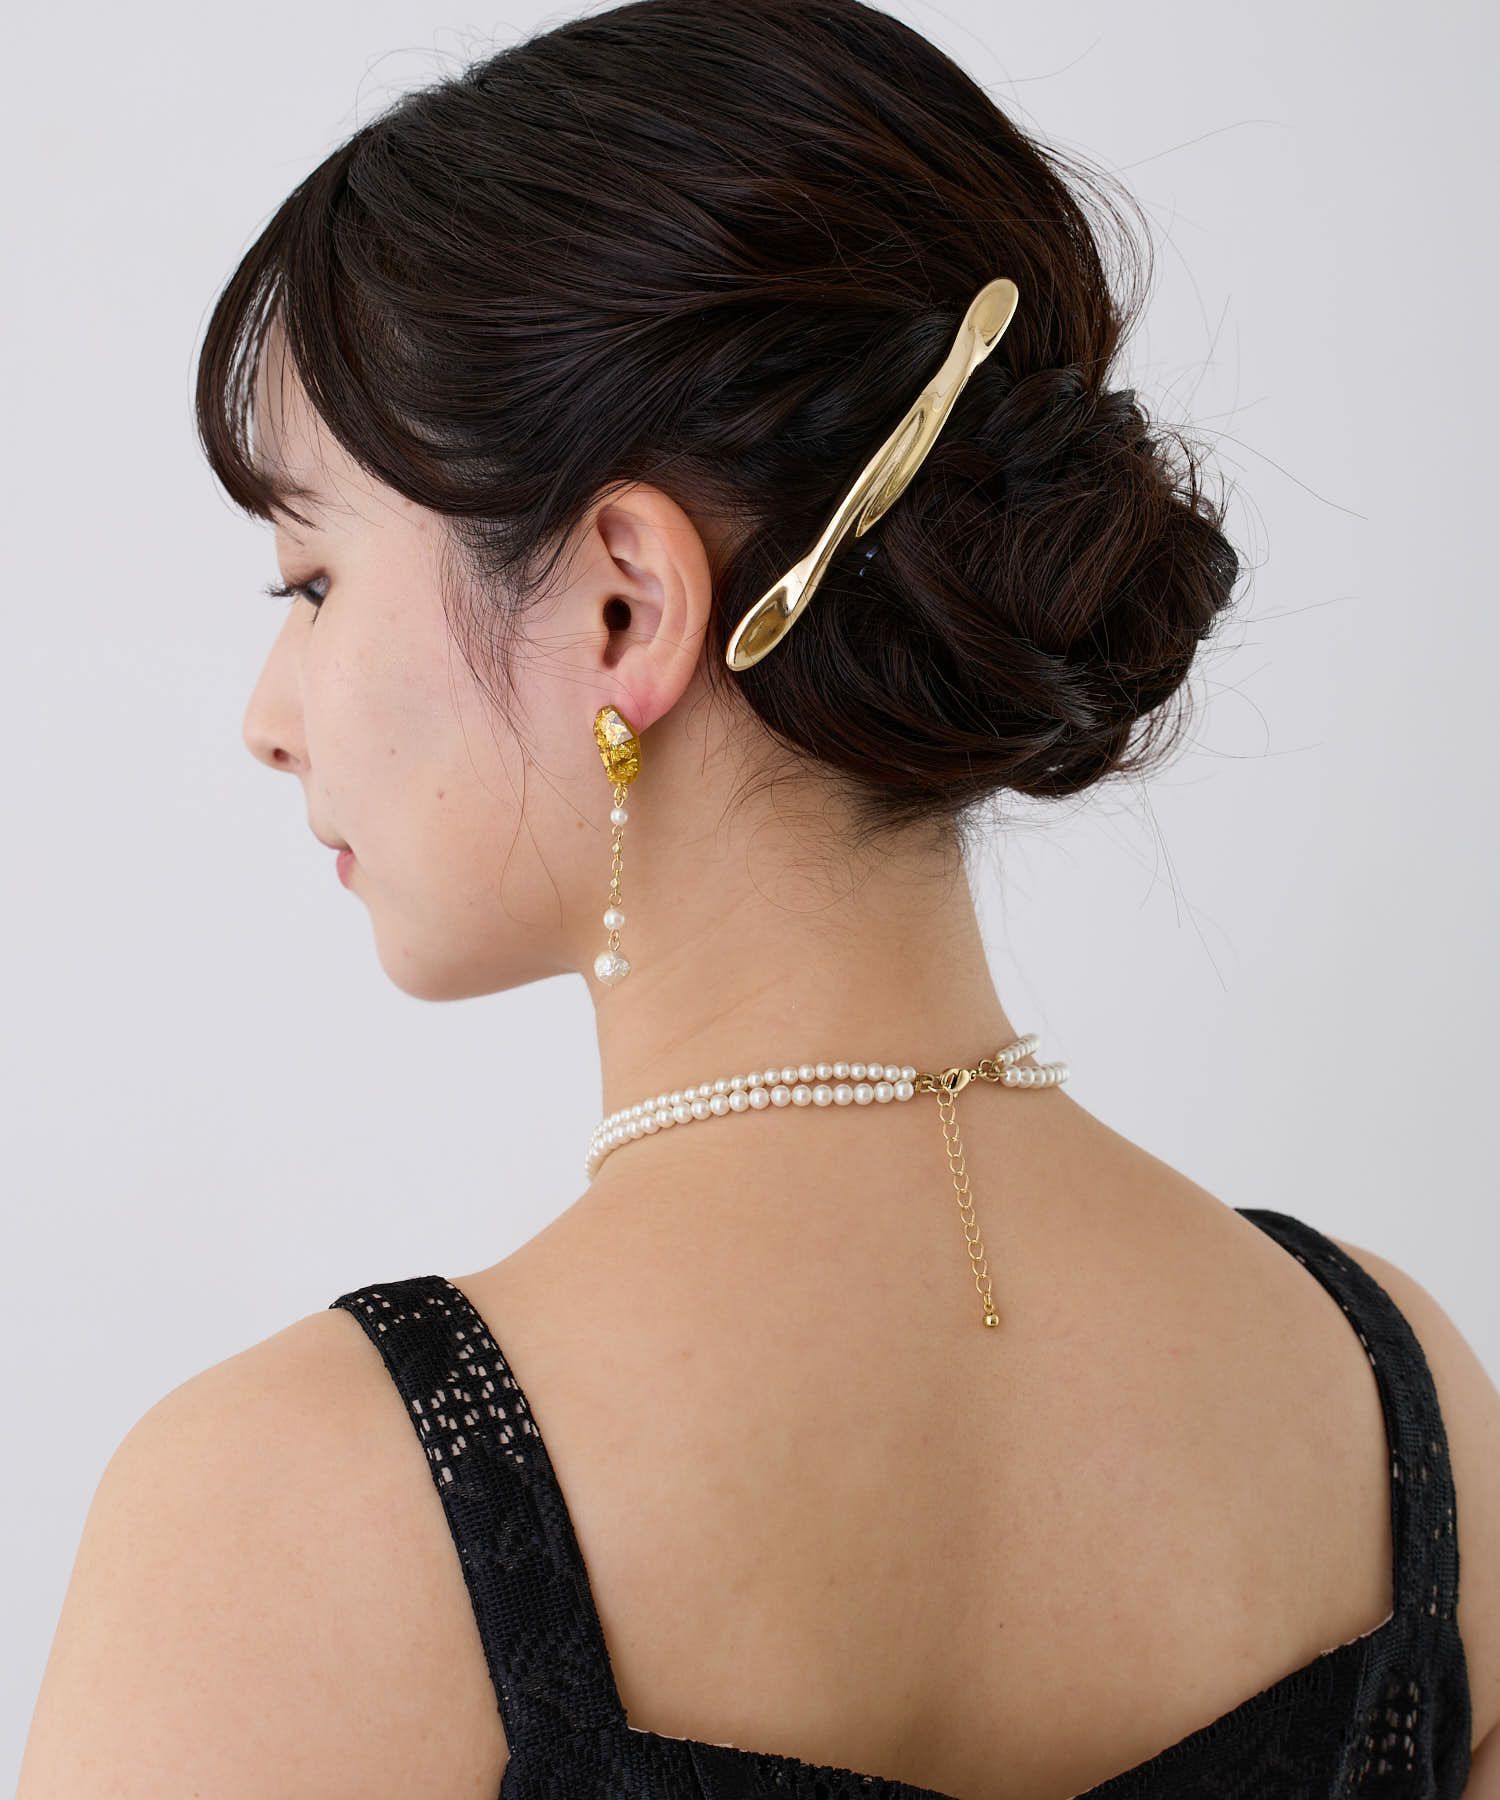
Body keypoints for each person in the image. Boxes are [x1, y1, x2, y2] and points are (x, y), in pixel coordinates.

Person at [19, 1, 1498, 1795]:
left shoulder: (292, 1516)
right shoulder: (1402, 1402)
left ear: (623, 606)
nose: (269, 720)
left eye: (311, 582)